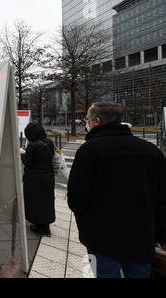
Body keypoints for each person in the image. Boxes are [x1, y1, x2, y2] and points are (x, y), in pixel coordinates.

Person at [68, 102, 166, 278]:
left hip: (102, 238)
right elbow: (162, 198)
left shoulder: (89, 151)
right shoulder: (151, 151)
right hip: (142, 237)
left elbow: (76, 199)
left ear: (96, 121)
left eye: (87, 120)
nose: (87, 123)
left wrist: (86, 225)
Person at [21, 121, 55, 237]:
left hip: (34, 179)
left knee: (35, 202)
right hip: (48, 178)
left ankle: (38, 227)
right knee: (46, 202)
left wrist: (22, 153)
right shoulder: (49, 142)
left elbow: (27, 162)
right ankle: (46, 228)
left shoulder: (33, 146)